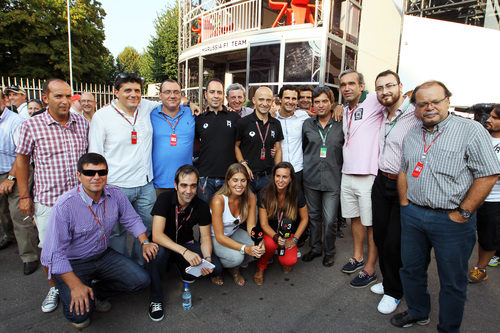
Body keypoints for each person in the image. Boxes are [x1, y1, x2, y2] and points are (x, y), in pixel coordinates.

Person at [392, 81, 500, 331]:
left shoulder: (470, 131)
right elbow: (404, 170)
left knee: (452, 281)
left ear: (447, 101)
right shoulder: (412, 133)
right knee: (411, 269)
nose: (429, 107)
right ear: (416, 108)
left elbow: (488, 174)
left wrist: (463, 213)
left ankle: (448, 328)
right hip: (414, 216)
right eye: (422, 104)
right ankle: (418, 312)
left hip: (451, 222)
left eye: (435, 101)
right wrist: (405, 205)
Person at [40, 153, 157, 330]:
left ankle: (95, 292)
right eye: (90, 173)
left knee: (141, 280)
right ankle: (72, 289)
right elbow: (54, 254)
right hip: (73, 263)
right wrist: (75, 285)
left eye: (102, 172)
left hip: (103, 255)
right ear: (79, 175)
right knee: (80, 318)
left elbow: (131, 219)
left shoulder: (115, 194)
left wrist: (144, 241)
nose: (96, 177)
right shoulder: (65, 205)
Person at [15, 78, 89, 313]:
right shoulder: (31, 126)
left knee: (80, 246)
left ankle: (80, 284)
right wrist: (24, 196)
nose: (65, 101)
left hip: (80, 200)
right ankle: (55, 287)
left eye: (68, 96)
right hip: (49, 201)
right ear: (45, 98)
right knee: (50, 249)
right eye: (58, 96)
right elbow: (22, 162)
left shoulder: (82, 123)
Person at [89, 73, 158, 266]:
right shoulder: (102, 117)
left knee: (147, 226)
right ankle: (121, 269)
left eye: (137, 90)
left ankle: (138, 264)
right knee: (115, 232)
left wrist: (190, 104)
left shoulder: (145, 106)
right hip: (115, 188)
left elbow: (170, 100)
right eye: (127, 90)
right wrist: (97, 188)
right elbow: (95, 155)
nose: (133, 94)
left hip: (146, 185)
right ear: (116, 92)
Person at [369, 70, 421, 314]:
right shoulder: (383, 112)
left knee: (394, 242)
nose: (384, 92)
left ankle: (394, 292)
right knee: (380, 236)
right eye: (380, 88)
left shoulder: (415, 113)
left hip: (404, 183)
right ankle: (389, 281)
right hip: (381, 181)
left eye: (389, 86)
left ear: (401, 86)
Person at [147, 165, 222, 322]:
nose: (188, 190)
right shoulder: (165, 199)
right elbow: (157, 235)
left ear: (197, 186)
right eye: (184, 185)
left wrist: (206, 259)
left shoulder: (201, 205)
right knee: (157, 253)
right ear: (176, 185)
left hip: (185, 244)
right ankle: (156, 299)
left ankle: (184, 269)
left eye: (193, 185)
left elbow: (206, 237)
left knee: (215, 266)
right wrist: (184, 252)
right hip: (164, 244)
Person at [338, 69, 383, 288]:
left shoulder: (375, 101)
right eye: (343, 84)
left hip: (368, 175)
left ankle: (370, 269)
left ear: (361, 86)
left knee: (371, 224)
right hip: (347, 174)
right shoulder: (345, 109)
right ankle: (357, 257)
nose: (347, 88)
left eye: (351, 83)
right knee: (354, 219)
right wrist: (339, 106)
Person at [301, 86, 344, 267]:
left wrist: (341, 107)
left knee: (330, 219)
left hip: (332, 180)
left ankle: (330, 251)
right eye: (316, 102)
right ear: (312, 104)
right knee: (314, 217)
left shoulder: (341, 122)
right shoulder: (307, 124)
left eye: (324, 101)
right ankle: (316, 248)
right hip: (310, 179)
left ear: (331, 103)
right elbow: (304, 147)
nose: (320, 105)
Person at [0, 90, 38, 273]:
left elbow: (22, 156)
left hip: (15, 171)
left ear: (4, 100)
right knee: (3, 212)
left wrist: (10, 178)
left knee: (19, 212)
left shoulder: (16, 122)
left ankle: (29, 256)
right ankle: (8, 236)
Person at [253, 162, 308, 284]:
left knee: (289, 261)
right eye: (278, 176)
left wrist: (295, 240)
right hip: (271, 232)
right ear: (273, 177)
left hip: (289, 234)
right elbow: (263, 224)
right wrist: (276, 237)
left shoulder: (297, 193)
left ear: (291, 179)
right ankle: (261, 267)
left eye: (285, 177)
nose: (280, 180)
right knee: (270, 245)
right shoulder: (264, 193)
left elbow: (305, 219)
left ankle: (282, 256)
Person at [210, 163, 264, 286]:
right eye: (235, 180)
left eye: (243, 180)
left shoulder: (250, 196)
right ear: (228, 181)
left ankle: (232, 265)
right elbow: (219, 236)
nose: (239, 185)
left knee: (257, 248)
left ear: (247, 181)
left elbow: (251, 226)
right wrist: (245, 248)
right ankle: (217, 266)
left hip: (233, 233)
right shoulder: (218, 200)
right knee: (237, 257)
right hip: (215, 237)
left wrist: (259, 240)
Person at [467, 104, 500, 283]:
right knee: (466, 233)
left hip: (493, 200)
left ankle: (481, 268)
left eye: (495, 118)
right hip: (470, 196)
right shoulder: (482, 137)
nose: (489, 119)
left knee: (488, 238)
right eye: (490, 116)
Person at [195, 79, 240, 203]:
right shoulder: (199, 119)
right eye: (212, 92)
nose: (216, 96)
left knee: (226, 219)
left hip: (228, 178)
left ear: (223, 96)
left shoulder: (234, 117)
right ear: (206, 94)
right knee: (205, 218)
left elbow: (241, 145)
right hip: (205, 179)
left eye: (219, 92)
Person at [236, 86, 284, 193]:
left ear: (272, 102)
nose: (265, 103)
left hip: (267, 176)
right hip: (248, 176)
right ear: (254, 100)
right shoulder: (243, 122)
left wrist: (277, 172)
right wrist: (243, 164)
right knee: (247, 209)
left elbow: (278, 149)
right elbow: (236, 146)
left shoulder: (276, 123)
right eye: (261, 99)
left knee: (266, 209)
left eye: (268, 100)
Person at [151, 79, 194, 194]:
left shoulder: (192, 113)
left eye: (176, 92)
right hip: (158, 183)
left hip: (186, 184)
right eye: (167, 92)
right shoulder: (150, 114)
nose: (172, 96)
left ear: (181, 95)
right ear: (160, 95)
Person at [274, 85, 309, 189]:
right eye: (287, 98)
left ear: (297, 101)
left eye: (294, 98)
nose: (290, 101)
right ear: (280, 99)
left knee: (297, 203)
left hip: (298, 170)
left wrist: (337, 108)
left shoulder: (303, 116)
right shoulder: (272, 118)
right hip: (278, 171)